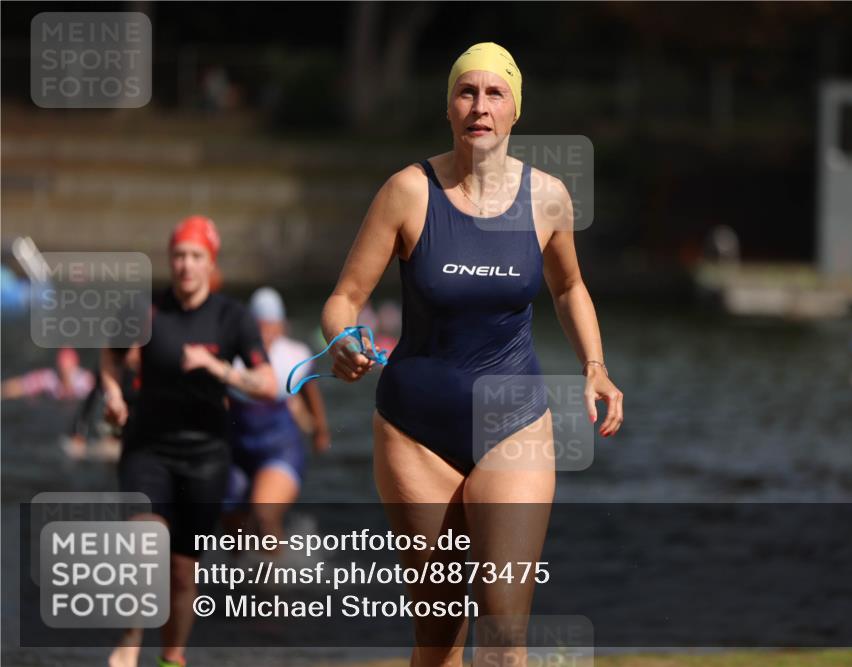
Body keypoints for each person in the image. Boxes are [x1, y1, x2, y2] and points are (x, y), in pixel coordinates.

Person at [320, 42, 623, 665]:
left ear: (515, 109)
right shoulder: (408, 192)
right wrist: (343, 339)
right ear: (449, 108)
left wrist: (594, 367)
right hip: (415, 432)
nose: (480, 107)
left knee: (504, 631)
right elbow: (345, 298)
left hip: (515, 422)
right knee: (439, 636)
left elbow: (569, 287)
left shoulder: (547, 198)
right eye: (467, 92)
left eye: (495, 93)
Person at [102, 215, 277, 667]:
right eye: (179, 255)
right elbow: (111, 355)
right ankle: (129, 645)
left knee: (182, 571)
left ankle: (171, 658)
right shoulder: (146, 310)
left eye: (196, 256)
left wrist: (217, 368)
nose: (186, 265)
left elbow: (267, 383)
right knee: (145, 542)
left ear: (210, 262)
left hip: (206, 456)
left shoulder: (232, 318)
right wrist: (113, 394)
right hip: (147, 447)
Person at [223, 286, 330, 549]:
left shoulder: (294, 355)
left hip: (279, 447)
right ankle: (242, 574)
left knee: (264, 516)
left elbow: (310, 393)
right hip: (235, 448)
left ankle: (277, 573)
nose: (266, 333)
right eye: (260, 326)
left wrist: (320, 430)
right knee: (234, 533)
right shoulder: (230, 356)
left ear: (281, 326)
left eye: (272, 326)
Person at [1, 347, 94, 401]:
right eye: (62, 368)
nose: (65, 372)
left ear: (75, 366)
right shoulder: (49, 378)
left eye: (68, 369)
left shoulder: (86, 381)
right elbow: (20, 385)